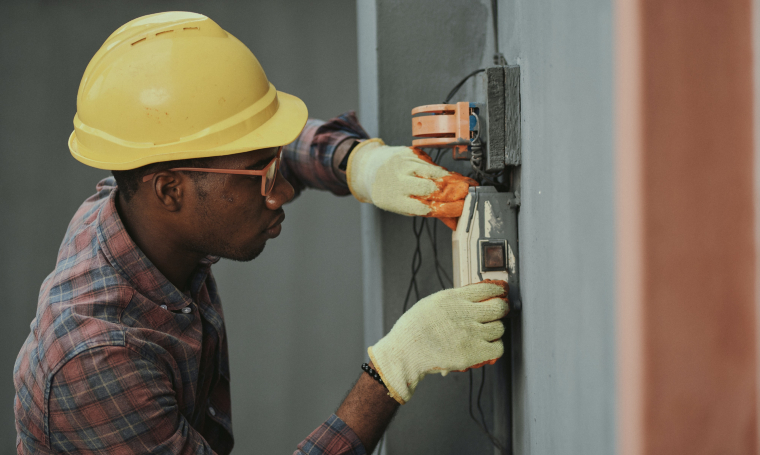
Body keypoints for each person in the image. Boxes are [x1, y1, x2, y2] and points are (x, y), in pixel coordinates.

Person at [13, 12, 509, 455]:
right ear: (169, 190)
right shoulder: (97, 360)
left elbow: (246, 152)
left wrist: (356, 162)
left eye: (274, 167)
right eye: (261, 177)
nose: (280, 194)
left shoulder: (136, 198)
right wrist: (393, 369)